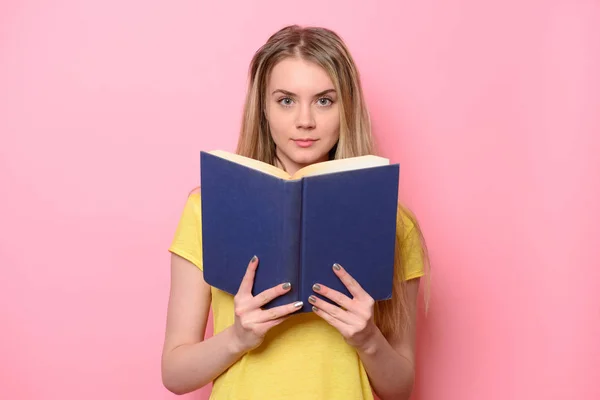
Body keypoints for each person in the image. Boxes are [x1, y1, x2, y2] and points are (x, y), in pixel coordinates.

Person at [161, 24, 430, 400]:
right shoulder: (206, 208)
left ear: (347, 107)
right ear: (264, 109)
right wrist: (239, 337)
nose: (305, 120)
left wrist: (368, 339)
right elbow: (175, 373)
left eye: (324, 100)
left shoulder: (393, 220)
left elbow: (401, 388)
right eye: (286, 100)